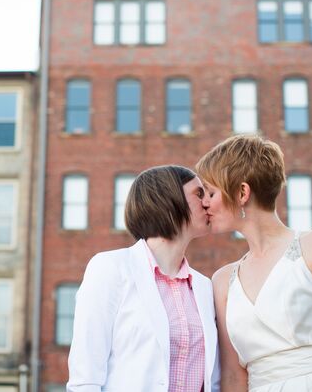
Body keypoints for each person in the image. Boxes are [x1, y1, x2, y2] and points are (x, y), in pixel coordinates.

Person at [196, 135, 312, 392]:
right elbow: (233, 377)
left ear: (242, 192)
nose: (204, 202)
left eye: (211, 192)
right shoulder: (222, 281)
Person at [67, 165, 220, 392]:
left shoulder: (204, 287)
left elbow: (213, 381)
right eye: (199, 194)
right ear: (167, 199)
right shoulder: (110, 269)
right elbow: (85, 377)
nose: (208, 202)